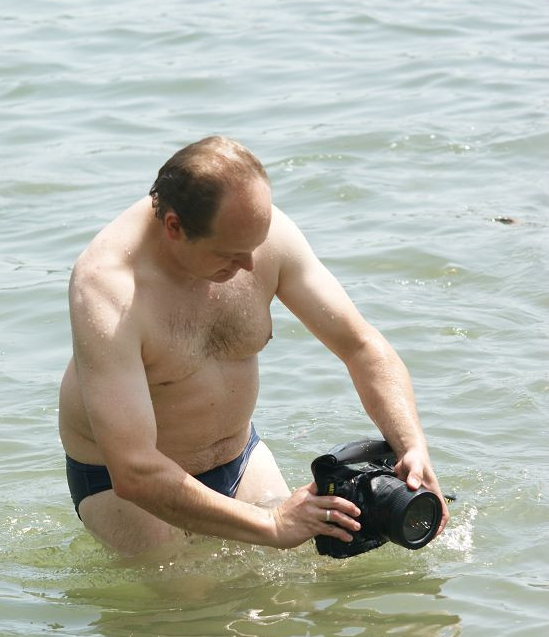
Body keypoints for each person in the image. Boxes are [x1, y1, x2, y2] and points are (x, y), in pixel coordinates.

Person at [59, 135, 449, 555]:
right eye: (230, 253)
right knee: (195, 603)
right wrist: (273, 523)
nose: (249, 265)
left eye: (255, 245)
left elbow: (361, 346)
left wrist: (412, 446)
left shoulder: (262, 235)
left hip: (239, 457)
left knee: (292, 595)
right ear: (174, 227)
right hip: (122, 486)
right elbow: (134, 471)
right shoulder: (108, 288)